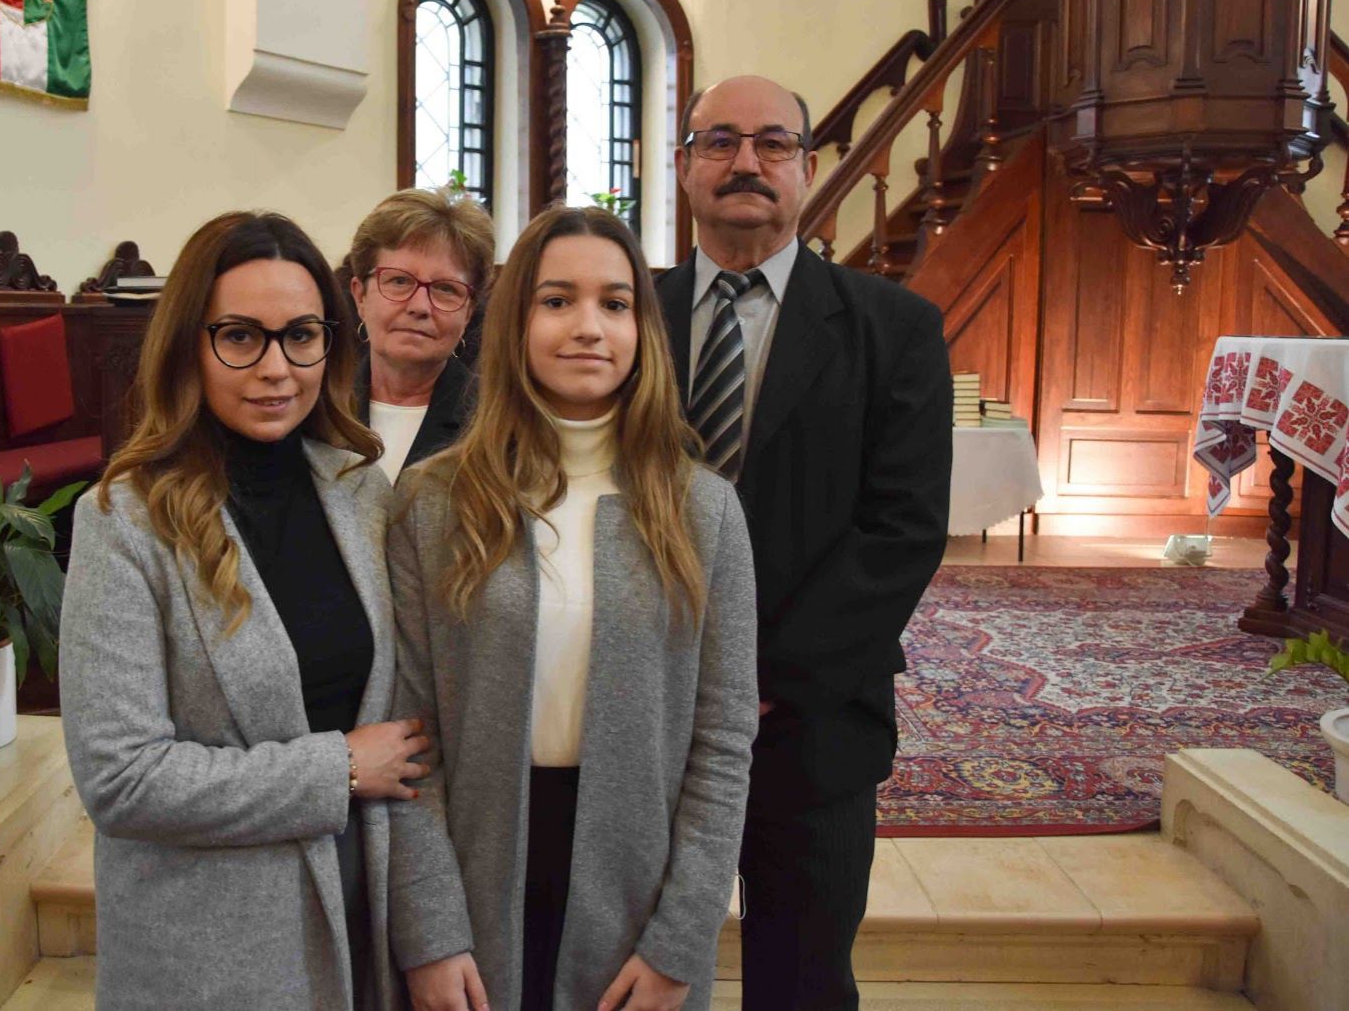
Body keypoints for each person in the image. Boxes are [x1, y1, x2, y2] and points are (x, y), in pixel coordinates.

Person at [388, 205, 758, 1011]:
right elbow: (407, 735)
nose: (588, 326)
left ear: (641, 329)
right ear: (514, 322)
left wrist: (680, 938)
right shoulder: (434, 500)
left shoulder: (702, 509)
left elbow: (723, 742)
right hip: (477, 865)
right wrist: (429, 929)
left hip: (635, 879)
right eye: (556, 300)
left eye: (614, 303)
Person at [60, 211, 428, 1010]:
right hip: (211, 947)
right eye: (239, 336)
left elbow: (404, 717)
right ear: (188, 344)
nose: (275, 368)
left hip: (356, 909)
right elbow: (120, 777)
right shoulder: (125, 519)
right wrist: (337, 767)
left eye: (300, 336)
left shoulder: (360, 491)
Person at [658, 76, 952, 1010]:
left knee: (802, 982)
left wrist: (756, 676)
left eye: (772, 143)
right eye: (719, 141)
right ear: (682, 167)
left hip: (813, 716)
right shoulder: (623, 317)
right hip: (639, 708)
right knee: (625, 970)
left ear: (809, 167)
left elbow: (902, 529)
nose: (745, 162)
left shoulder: (893, 328)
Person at [344, 188, 495, 483]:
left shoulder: (495, 421)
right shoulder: (319, 410)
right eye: (399, 281)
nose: (420, 307)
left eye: (446, 288)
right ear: (360, 296)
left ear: (468, 311)